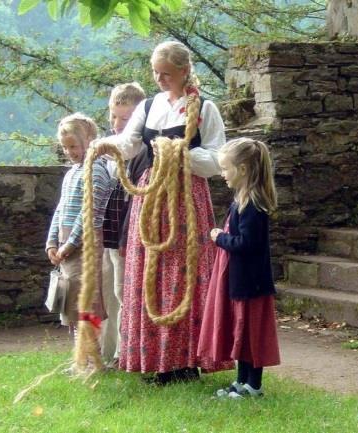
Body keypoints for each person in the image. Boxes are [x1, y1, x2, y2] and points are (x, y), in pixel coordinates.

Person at [91, 40, 230, 384]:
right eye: (155, 72)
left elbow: (217, 158)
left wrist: (182, 154)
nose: (159, 79)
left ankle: (184, 362)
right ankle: (153, 359)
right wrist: (107, 146)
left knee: (184, 276)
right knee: (148, 276)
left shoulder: (205, 108)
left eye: (165, 73)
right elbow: (130, 142)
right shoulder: (150, 106)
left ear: (184, 71)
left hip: (186, 197)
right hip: (151, 197)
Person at [198, 137, 281, 398]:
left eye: (225, 168)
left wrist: (218, 238)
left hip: (252, 284)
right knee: (240, 335)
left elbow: (247, 243)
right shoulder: (241, 202)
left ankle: (253, 386)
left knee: (251, 337)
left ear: (242, 170)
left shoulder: (254, 206)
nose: (222, 174)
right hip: (241, 282)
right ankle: (241, 382)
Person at [46, 113, 114, 344]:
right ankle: (79, 352)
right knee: (70, 298)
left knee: (86, 300)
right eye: (65, 148)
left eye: (73, 146)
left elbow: (91, 212)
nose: (69, 152)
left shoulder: (96, 170)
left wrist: (71, 243)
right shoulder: (71, 173)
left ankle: (91, 350)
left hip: (85, 245)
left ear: (90, 140)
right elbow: (60, 209)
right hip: (66, 245)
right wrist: (52, 242)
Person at [99, 82, 149, 367]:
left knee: (124, 292)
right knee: (110, 294)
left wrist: (124, 240)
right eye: (113, 118)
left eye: (125, 119)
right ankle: (110, 350)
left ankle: (125, 352)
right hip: (109, 233)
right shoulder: (111, 148)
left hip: (125, 235)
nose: (117, 125)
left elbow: (134, 201)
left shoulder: (142, 153)